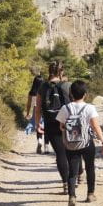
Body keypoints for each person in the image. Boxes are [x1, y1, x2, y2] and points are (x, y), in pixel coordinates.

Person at [56, 80, 103, 206]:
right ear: (85, 94)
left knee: (72, 172)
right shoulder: (90, 108)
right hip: (86, 143)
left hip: (71, 145)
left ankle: (72, 196)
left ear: (71, 94)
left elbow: (61, 126)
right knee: (90, 168)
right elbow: (95, 126)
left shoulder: (65, 108)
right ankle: (90, 194)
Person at [34, 61, 72, 193]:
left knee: (60, 153)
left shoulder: (43, 87)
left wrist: (37, 124)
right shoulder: (68, 85)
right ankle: (78, 174)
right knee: (72, 152)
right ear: (61, 72)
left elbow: (38, 109)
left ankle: (66, 183)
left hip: (51, 124)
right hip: (68, 123)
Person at [25, 72, 46, 154]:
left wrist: (27, 113)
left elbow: (29, 104)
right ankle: (46, 144)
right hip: (44, 109)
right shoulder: (44, 91)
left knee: (38, 126)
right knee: (45, 126)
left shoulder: (31, 93)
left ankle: (39, 141)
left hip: (35, 110)